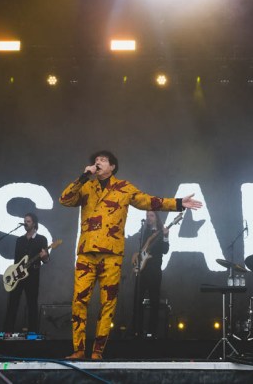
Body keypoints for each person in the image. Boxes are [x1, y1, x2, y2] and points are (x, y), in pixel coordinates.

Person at [59, 150, 202, 360]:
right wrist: (83, 176)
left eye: (103, 160)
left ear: (112, 167)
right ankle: (78, 349)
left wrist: (178, 203)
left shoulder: (124, 187)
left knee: (108, 303)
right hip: (86, 253)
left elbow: (148, 201)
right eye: (96, 160)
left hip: (111, 255)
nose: (98, 163)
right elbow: (64, 200)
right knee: (79, 301)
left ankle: (97, 351)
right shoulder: (86, 186)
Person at [2, 212, 49, 333]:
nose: (25, 223)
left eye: (28, 221)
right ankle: (7, 331)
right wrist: (13, 274)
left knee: (32, 304)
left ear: (34, 223)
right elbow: (16, 261)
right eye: (24, 221)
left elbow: (46, 260)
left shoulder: (41, 239)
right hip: (17, 275)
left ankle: (33, 332)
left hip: (32, 275)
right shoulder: (20, 240)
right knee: (12, 303)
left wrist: (44, 257)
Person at [132, 210, 170, 339]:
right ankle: (137, 331)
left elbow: (165, 250)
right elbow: (142, 249)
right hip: (143, 271)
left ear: (156, 218)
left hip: (154, 271)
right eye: (147, 215)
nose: (148, 217)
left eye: (151, 215)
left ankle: (152, 332)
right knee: (138, 301)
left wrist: (166, 236)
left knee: (154, 301)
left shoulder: (161, 232)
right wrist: (136, 255)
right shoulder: (145, 232)